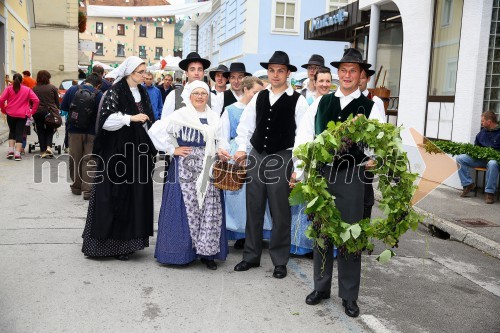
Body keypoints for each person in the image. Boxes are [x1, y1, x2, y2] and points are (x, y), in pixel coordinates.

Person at [292, 48, 383, 318]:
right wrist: (301, 170)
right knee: (321, 232)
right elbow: (305, 135)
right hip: (322, 174)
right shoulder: (322, 102)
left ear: (361, 75)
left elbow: (377, 142)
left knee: (350, 235)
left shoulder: (371, 106)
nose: (347, 75)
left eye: (352, 71)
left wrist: (369, 150)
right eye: (343, 70)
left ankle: (349, 295)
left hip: (352, 176)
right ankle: (321, 287)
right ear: (337, 74)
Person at [232, 51, 308, 279]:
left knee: (280, 211)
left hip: (282, 157)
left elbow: (303, 137)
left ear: (288, 73)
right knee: (253, 207)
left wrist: (298, 167)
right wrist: (241, 150)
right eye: (272, 70)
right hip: (257, 155)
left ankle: (279, 261)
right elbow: (246, 125)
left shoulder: (299, 100)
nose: (275, 75)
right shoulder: (259, 96)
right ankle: (250, 256)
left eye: (280, 71)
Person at [81, 56, 157, 260]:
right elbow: (106, 122)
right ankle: (112, 245)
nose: (144, 75)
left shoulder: (142, 92)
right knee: (115, 195)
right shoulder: (114, 91)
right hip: (116, 153)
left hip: (138, 152)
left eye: (145, 71)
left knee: (135, 196)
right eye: (141, 72)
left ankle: (131, 242)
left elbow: (150, 119)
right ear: (130, 73)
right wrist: (130, 118)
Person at [149, 80, 228, 270]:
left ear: (207, 97)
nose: (200, 97)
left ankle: (207, 253)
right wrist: (171, 149)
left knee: (209, 208)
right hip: (185, 166)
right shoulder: (180, 115)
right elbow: (154, 131)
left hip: (209, 165)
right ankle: (182, 253)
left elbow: (221, 139)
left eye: (203, 93)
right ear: (189, 96)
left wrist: (222, 151)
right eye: (196, 93)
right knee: (187, 207)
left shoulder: (214, 117)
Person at [218, 76, 272, 250]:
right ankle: (240, 233)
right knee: (238, 197)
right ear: (246, 90)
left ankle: (258, 231)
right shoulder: (231, 110)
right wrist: (226, 153)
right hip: (238, 152)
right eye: (256, 92)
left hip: (258, 153)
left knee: (258, 194)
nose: (258, 96)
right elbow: (224, 134)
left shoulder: (263, 109)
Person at [290, 68, 333, 257]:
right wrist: (300, 166)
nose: (324, 84)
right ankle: (304, 244)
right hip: (311, 157)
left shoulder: (334, 103)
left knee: (327, 202)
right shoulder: (309, 104)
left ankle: (325, 245)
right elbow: (303, 135)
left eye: (327, 81)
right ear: (314, 82)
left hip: (331, 159)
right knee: (307, 202)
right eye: (321, 81)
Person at [60, 73, 103, 200]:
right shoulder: (99, 94)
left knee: (75, 158)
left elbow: (64, 109)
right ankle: (88, 190)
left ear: (85, 81)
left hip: (74, 131)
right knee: (89, 159)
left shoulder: (72, 90)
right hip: (91, 132)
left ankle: (76, 187)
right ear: (98, 84)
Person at [358, 67, 386, 218]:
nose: (359, 80)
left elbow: (382, 132)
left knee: (365, 192)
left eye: (363, 77)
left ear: (368, 79)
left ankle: (363, 228)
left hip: (367, 154)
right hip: (349, 155)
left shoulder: (375, 101)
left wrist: (374, 157)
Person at [456, 111, 500, 204]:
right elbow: (476, 146)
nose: (481, 123)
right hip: (481, 159)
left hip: (495, 161)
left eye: (483, 121)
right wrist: (474, 152)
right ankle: (468, 184)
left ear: (489, 122)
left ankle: (489, 193)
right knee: (460, 158)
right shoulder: (482, 133)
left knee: (492, 163)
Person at [160, 52, 211, 119]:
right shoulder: (173, 95)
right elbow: (164, 123)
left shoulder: (211, 97)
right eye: (192, 69)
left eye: (199, 69)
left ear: (203, 73)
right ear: (186, 73)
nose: (196, 73)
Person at [0, 73, 39, 160]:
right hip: (22, 115)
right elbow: (36, 100)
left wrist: (3, 109)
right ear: (22, 81)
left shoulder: (9, 89)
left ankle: (10, 151)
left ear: (13, 80)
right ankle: (17, 154)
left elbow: (1, 99)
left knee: (12, 132)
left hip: (10, 113)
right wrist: (32, 111)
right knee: (19, 133)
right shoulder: (27, 89)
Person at [32, 70, 60, 158]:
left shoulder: (34, 88)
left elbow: (31, 101)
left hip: (37, 112)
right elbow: (56, 101)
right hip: (49, 111)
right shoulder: (53, 88)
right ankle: (48, 147)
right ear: (48, 78)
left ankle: (43, 150)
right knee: (50, 129)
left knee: (40, 130)